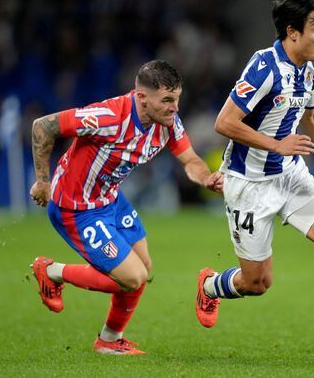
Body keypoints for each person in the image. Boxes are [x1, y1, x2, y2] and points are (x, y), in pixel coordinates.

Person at [194, 0, 314, 363]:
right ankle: (209, 286)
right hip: (249, 185)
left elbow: (310, 116)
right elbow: (224, 122)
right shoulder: (264, 67)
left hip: (289, 174)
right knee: (257, 283)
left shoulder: (311, 69)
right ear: (293, 32)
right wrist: (276, 144)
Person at [29, 60, 223, 355]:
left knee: (143, 267)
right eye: (167, 100)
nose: (175, 108)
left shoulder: (167, 122)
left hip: (110, 198)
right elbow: (44, 126)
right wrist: (43, 181)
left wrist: (206, 178)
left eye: (177, 99)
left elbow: (190, 160)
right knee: (132, 277)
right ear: (142, 98)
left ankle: (109, 340)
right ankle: (52, 271)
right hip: (76, 207)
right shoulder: (107, 117)